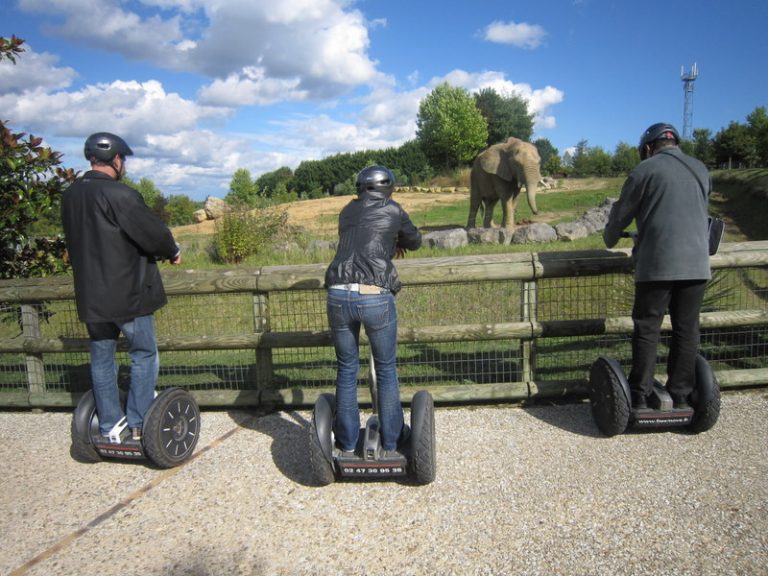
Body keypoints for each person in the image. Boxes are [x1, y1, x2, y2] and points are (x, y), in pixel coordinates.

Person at [61, 132, 181, 442]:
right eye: (122, 159)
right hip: (129, 294)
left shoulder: (70, 196)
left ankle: (109, 424)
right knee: (143, 354)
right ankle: (140, 422)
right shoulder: (121, 196)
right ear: (116, 159)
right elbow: (152, 234)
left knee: (102, 357)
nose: (123, 164)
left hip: (92, 297)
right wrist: (172, 250)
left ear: (91, 159)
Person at [603, 122, 711, 409]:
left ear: (649, 148)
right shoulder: (700, 169)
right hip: (698, 265)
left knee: (648, 327)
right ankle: (681, 394)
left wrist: (610, 238)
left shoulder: (644, 171)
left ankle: (639, 395)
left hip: (657, 265)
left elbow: (620, 216)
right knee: (687, 329)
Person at [324, 165, 422, 455]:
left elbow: (361, 238)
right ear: (388, 186)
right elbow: (414, 241)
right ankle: (392, 441)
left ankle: (346, 442)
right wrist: (396, 243)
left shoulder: (346, 211)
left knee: (346, 368)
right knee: (386, 368)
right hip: (374, 296)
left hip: (338, 293)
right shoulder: (393, 210)